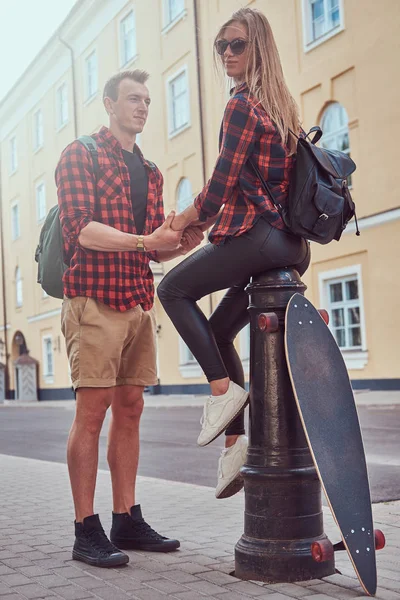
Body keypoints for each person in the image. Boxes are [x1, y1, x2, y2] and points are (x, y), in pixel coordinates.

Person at [158, 8, 310, 500]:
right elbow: (238, 189)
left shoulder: (242, 105)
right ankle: (236, 446)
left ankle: (223, 394)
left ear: (257, 47)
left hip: (259, 236)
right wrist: (197, 230)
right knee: (220, 332)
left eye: (237, 44)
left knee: (173, 288)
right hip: (288, 244)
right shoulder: (281, 106)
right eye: (221, 45)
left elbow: (221, 186)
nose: (226, 53)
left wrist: (179, 223)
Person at [56, 69, 203, 567]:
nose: (142, 106)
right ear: (108, 103)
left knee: (132, 409)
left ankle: (126, 518)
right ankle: (85, 528)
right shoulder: (82, 154)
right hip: (92, 300)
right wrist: (146, 242)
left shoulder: (152, 171)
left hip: (138, 298)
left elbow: (151, 247)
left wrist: (177, 243)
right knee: (92, 413)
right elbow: (81, 230)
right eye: (133, 99)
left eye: (147, 99)